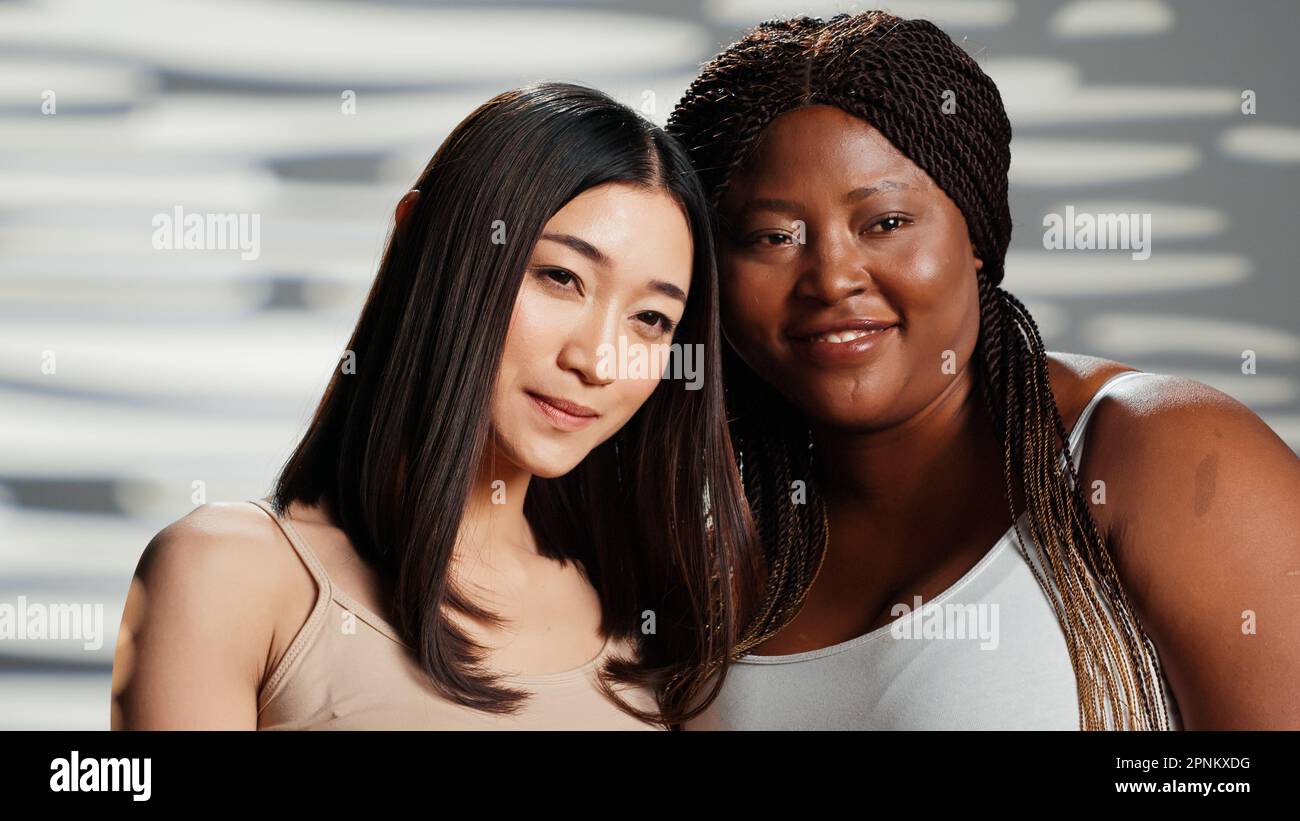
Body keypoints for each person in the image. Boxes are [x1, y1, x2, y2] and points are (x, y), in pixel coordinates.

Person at [666, 11, 1300, 729]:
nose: (832, 278)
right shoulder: (702, 547)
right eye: (772, 236)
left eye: (886, 223)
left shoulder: (1155, 449)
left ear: (975, 234)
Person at [111, 82, 761, 730]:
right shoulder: (229, 572)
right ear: (419, 239)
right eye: (561, 277)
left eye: (650, 318)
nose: (596, 359)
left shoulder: (661, 608)